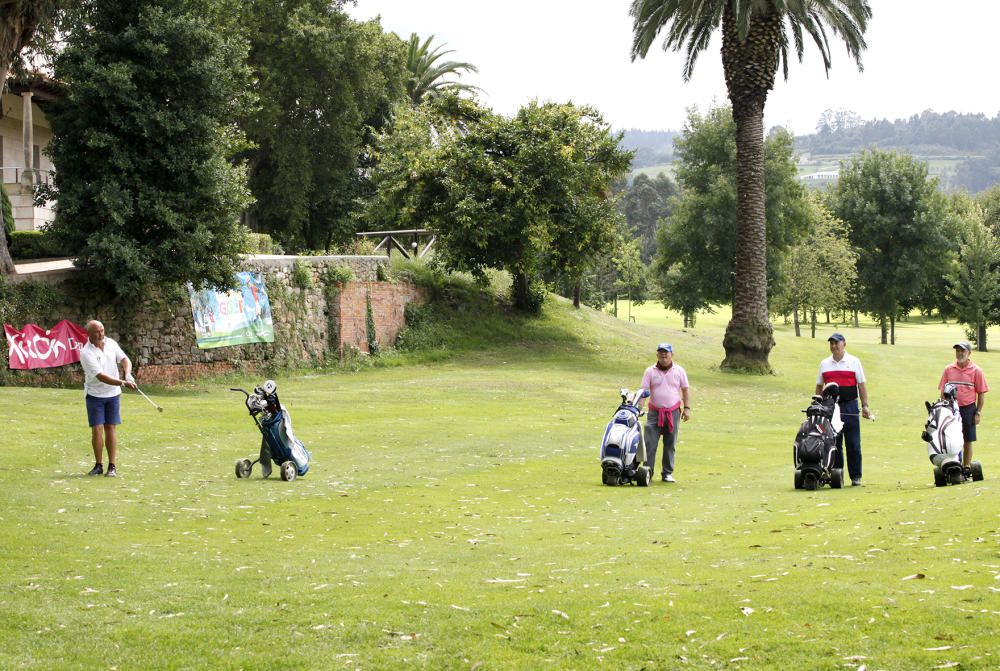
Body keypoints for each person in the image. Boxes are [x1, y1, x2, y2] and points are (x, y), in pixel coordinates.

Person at [79, 320, 136, 477]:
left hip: (113, 394)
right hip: (95, 395)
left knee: (110, 427)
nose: (100, 334)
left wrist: (128, 373)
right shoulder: (86, 353)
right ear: (89, 334)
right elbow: (101, 376)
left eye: (102, 330)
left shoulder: (111, 343)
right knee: (97, 429)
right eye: (97, 332)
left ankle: (112, 466)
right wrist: (123, 382)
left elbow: (124, 360)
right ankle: (98, 465)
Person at [816, 332, 872, 486]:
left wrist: (865, 405)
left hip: (850, 405)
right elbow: (819, 386)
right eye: (832, 344)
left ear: (844, 344)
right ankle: (837, 474)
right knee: (834, 442)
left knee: (853, 442)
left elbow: (861, 385)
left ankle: (856, 476)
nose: (834, 346)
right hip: (830, 407)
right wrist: (819, 405)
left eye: (837, 343)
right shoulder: (824, 364)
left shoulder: (854, 361)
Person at [638, 343, 691, 483]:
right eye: (661, 352)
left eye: (666, 353)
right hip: (654, 412)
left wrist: (687, 408)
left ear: (671, 355)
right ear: (657, 355)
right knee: (650, 443)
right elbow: (643, 391)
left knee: (670, 443)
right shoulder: (650, 371)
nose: (663, 355)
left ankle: (667, 473)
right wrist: (639, 408)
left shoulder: (679, 371)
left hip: (673, 412)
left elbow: (685, 390)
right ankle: (647, 471)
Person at [939, 341, 988, 470]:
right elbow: (942, 391)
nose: (960, 353)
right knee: (950, 438)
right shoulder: (949, 369)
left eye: (962, 351)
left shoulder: (976, 370)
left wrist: (978, 412)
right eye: (958, 351)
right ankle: (954, 464)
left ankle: (966, 467)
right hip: (950, 409)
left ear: (969, 353)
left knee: (967, 439)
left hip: (968, 409)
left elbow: (981, 393)